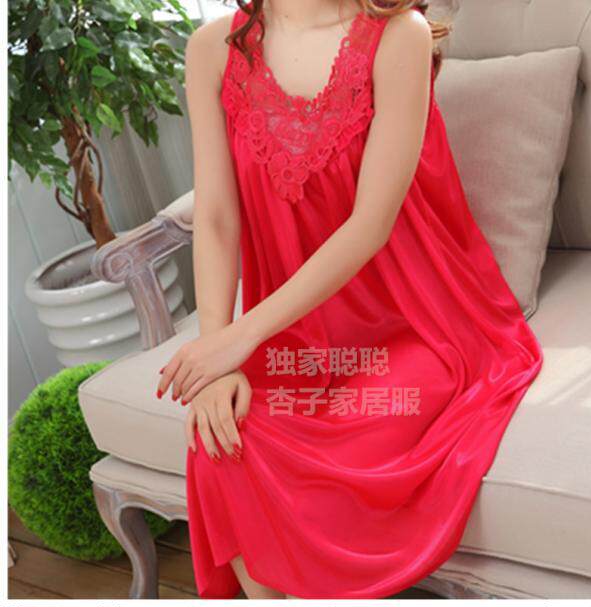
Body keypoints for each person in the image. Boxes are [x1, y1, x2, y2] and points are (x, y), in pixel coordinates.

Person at [156, 0, 544, 599]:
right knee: (220, 442)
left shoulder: (399, 35)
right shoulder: (212, 49)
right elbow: (215, 217)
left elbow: (370, 225)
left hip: (414, 324)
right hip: (293, 332)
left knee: (329, 459)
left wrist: (238, 338)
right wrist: (216, 358)